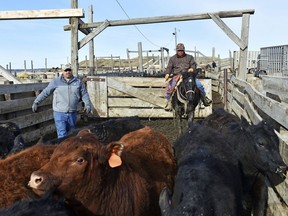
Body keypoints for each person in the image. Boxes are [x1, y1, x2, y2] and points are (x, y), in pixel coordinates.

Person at [32, 65, 92, 138]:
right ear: (62, 71)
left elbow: (84, 94)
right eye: (66, 70)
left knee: (71, 134)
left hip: (72, 112)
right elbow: (46, 92)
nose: (68, 72)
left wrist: (88, 104)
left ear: (71, 71)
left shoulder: (78, 82)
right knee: (62, 135)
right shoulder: (56, 82)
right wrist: (36, 102)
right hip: (59, 113)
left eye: (69, 70)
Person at [164, 43, 212, 109]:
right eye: (178, 50)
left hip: (188, 75)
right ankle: (169, 102)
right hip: (177, 75)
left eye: (181, 50)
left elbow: (193, 65)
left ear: (184, 50)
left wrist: (192, 68)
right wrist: (167, 73)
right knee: (170, 87)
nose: (180, 52)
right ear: (176, 51)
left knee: (199, 85)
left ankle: (204, 99)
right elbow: (169, 67)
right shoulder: (172, 58)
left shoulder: (189, 57)